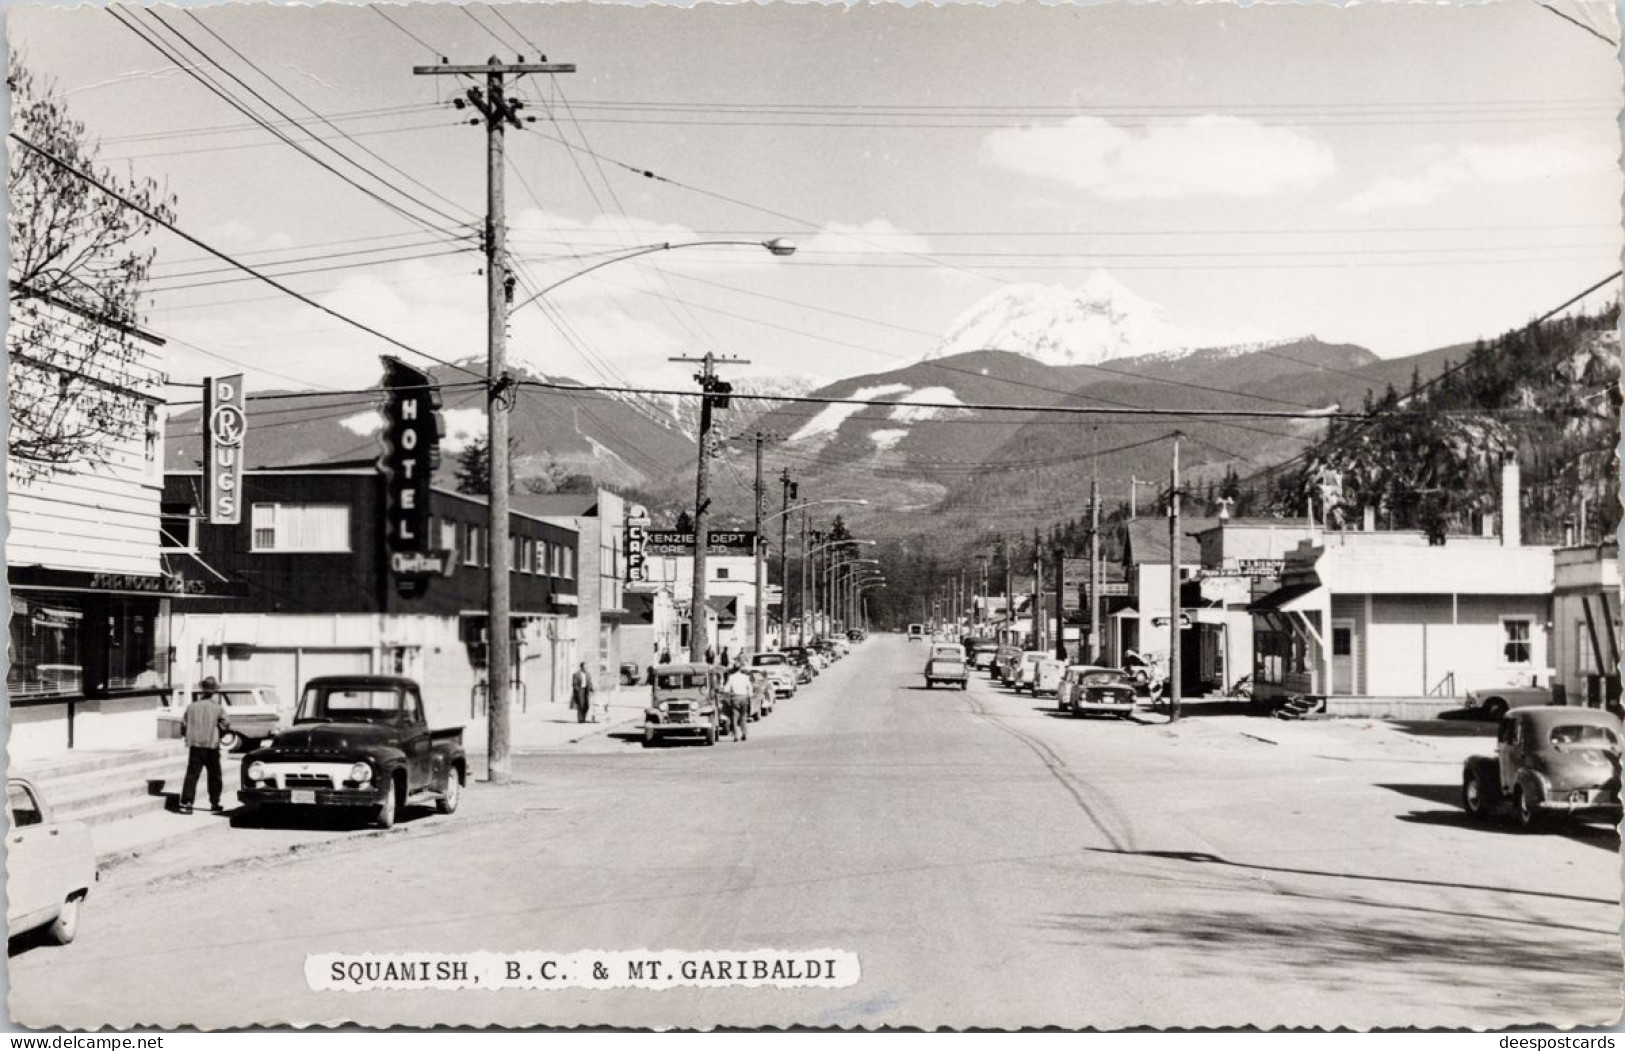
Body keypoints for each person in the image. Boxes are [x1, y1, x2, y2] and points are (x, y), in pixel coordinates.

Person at [179, 677, 230, 815]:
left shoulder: (191, 707)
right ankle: (215, 803)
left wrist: (189, 734)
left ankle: (188, 803)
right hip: (212, 745)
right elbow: (225, 725)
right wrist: (219, 734)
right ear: (214, 692)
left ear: (202, 690)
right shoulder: (218, 708)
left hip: (195, 745)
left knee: (192, 774)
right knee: (214, 775)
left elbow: (183, 726)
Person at [724, 664, 752, 742]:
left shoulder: (731, 677)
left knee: (735, 717)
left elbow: (726, 689)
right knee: (743, 716)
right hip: (744, 697)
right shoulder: (745, 677)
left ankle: (736, 735)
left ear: (733, 669)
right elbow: (750, 688)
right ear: (739, 669)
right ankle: (744, 733)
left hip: (735, 698)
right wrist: (749, 696)